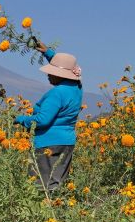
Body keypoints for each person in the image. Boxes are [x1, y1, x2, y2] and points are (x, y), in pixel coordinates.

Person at [14, 42, 83, 192]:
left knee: (40, 186)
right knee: (56, 185)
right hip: (66, 143)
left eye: (51, 72)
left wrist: (21, 119)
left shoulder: (57, 93)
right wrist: (48, 53)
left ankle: (42, 214)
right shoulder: (77, 88)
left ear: (59, 75)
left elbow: (42, 120)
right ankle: (57, 213)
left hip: (47, 143)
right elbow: (66, 67)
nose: (48, 75)